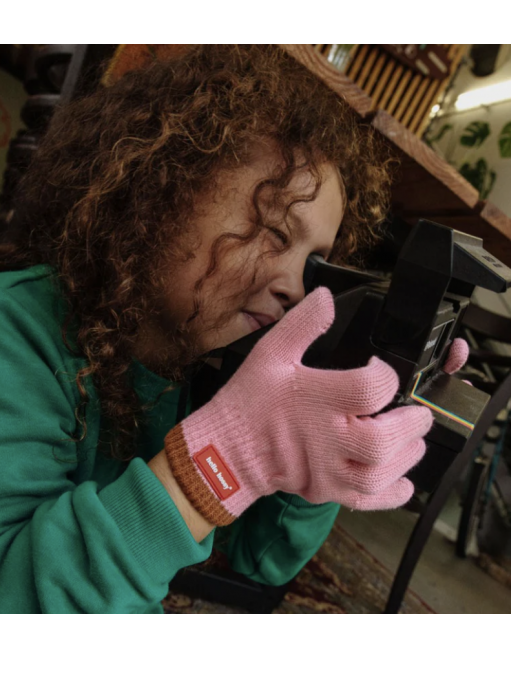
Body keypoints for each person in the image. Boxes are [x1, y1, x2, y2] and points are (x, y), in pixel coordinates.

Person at [0, 44, 467, 613]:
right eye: (274, 231)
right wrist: (218, 463)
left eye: (314, 262)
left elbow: (259, 557)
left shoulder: (202, 361)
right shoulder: (17, 334)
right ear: (160, 190)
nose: (297, 288)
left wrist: (329, 438)